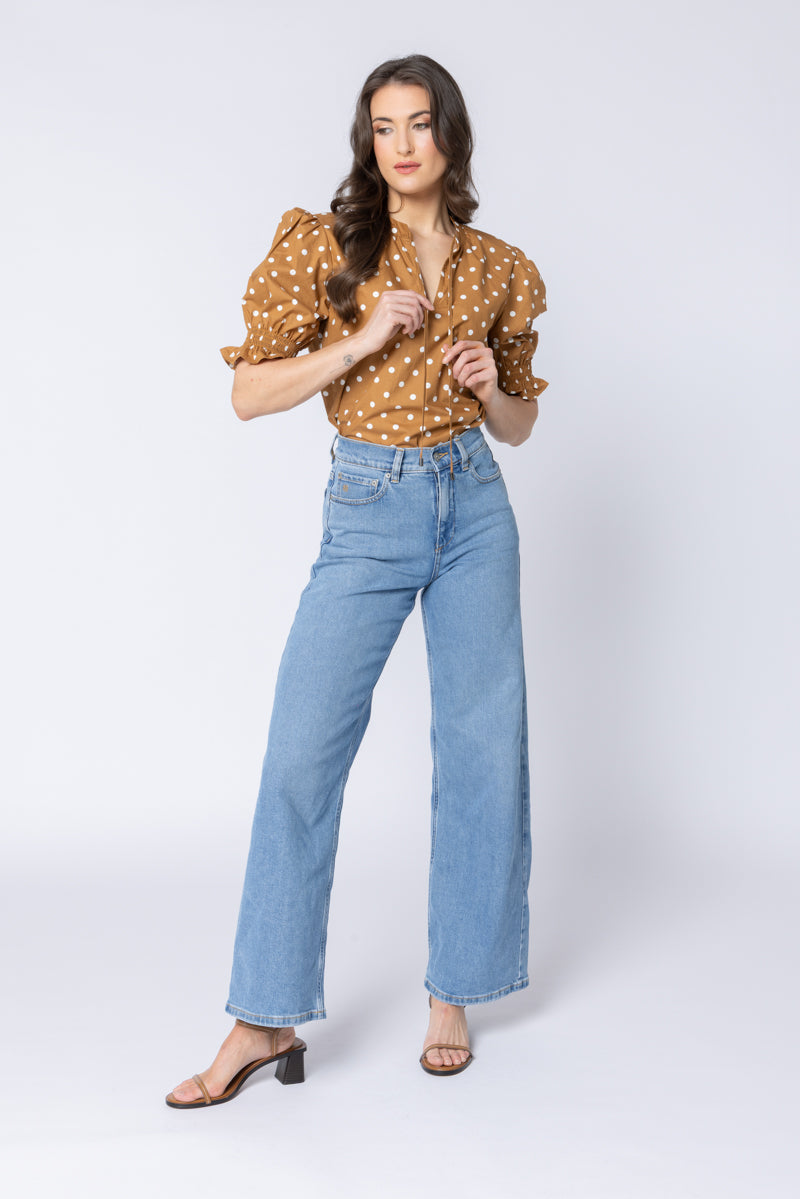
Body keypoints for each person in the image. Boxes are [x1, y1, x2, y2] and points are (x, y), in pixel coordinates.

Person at [166, 52, 548, 1108]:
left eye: (419, 123)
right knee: (302, 753)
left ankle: (453, 991)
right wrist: (363, 338)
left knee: (481, 751)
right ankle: (262, 1015)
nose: (402, 144)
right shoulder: (328, 249)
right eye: (384, 127)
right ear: (366, 141)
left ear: (450, 135)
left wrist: (491, 390)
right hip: (370, 506)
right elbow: (248, 394)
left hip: (473, 505)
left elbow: (520, 424)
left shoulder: (499, 268)